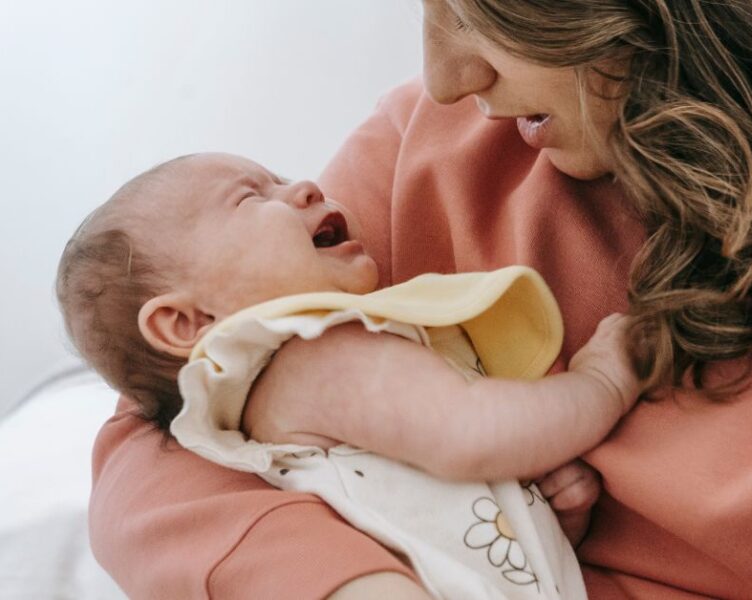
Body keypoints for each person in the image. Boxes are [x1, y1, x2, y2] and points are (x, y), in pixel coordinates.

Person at [87, 0, 752, 598]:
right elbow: (159, 422)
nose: (446, 78)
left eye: (479, 10)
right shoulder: (438, 147)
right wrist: (346, 583)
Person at [57, 151, 644, 599]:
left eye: (281, 177)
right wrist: (602, 385)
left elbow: (437, 534)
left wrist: (544, 516)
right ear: (186, 321)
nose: (305, 187)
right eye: (250, 198)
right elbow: (474, 435)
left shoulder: (302, 386)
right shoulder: (314, 355)